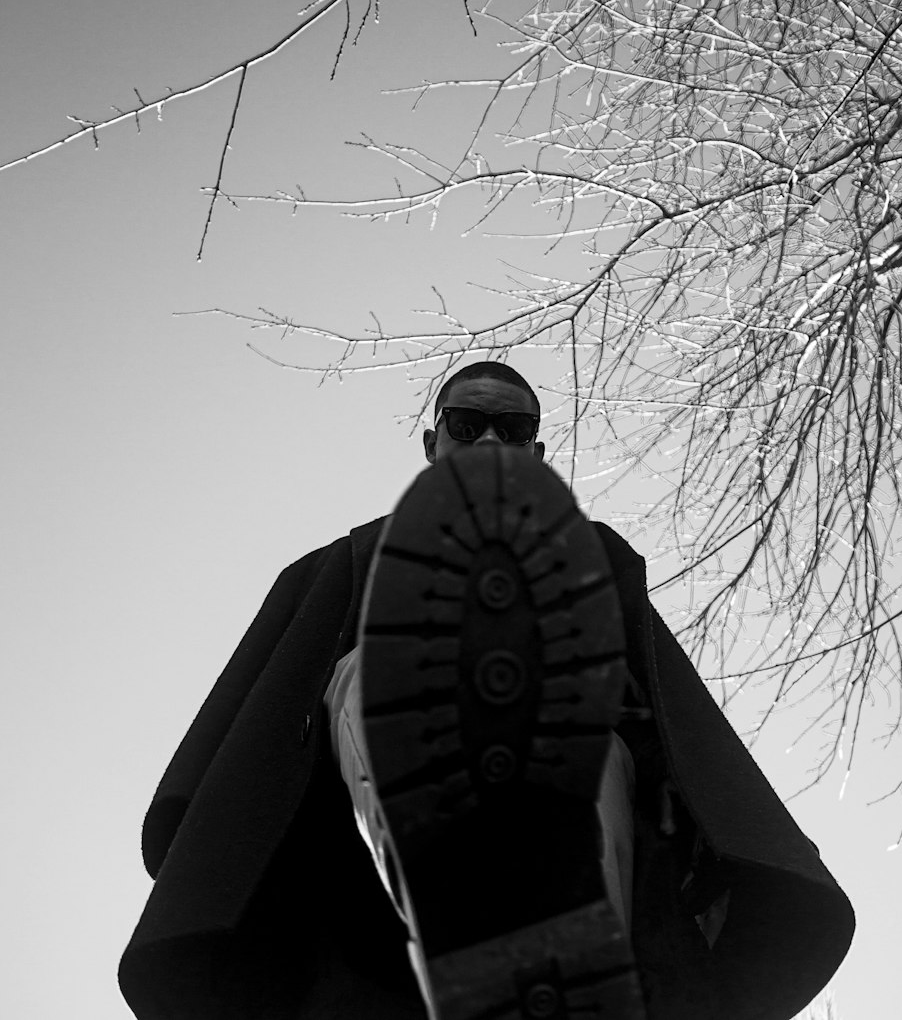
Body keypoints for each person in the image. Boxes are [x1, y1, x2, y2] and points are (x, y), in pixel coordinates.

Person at [119, 362, 854, 1020]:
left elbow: (668, 719)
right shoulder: (343, 565)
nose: (488, 442)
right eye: (466, 424)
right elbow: (258, 729)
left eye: (513, 427)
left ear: (536, 452)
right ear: (434, 443)